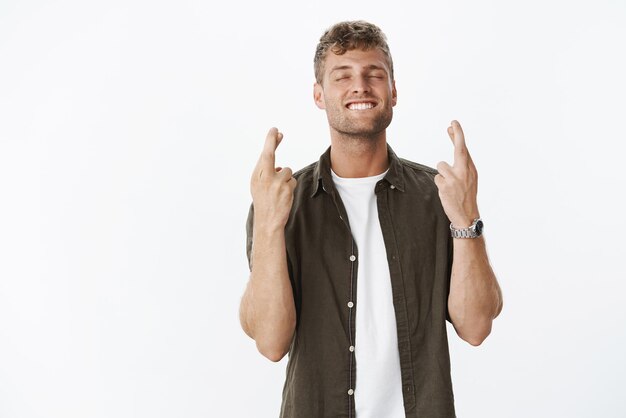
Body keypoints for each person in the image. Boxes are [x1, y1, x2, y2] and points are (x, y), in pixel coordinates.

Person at [238, 20, 503, 418]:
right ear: (319, 95)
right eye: (342, 76)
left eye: (374, 74)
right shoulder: (281, 202)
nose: (359, 86)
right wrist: (269, 227)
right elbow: (271, 344)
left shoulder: (440, 195)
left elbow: (477, 326)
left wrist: (467, 218)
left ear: (393, 91)